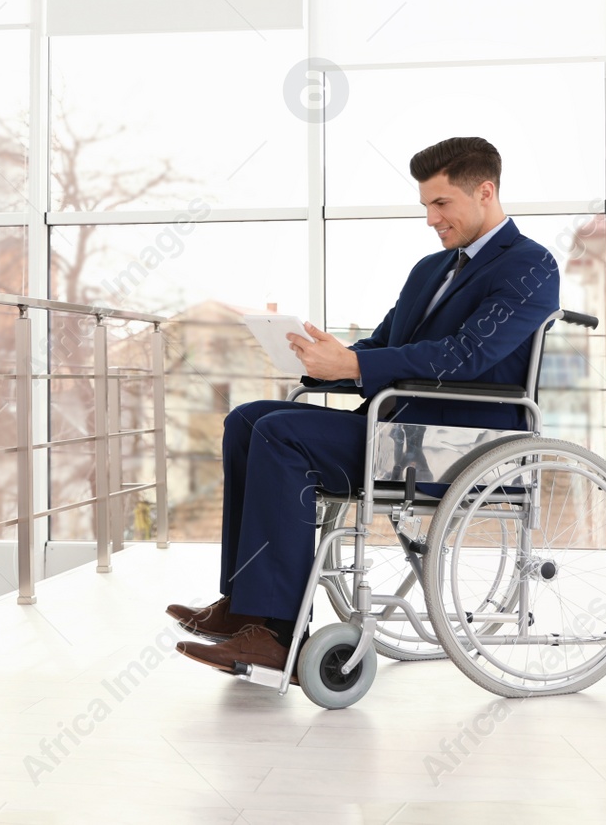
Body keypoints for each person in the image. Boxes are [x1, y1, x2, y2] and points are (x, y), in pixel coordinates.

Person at [169, 136, 561, 677]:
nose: (430, 218)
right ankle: (245, 609)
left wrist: (353, 368)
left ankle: (277, 634)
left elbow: (467, 356)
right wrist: (326, 357)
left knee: (281, 435)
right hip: (398, 427)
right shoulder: (431, 270)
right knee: (248, 419)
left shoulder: (531, 266)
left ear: (485, 192)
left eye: (441, 203)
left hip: (461, 440)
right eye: (425, 204)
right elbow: (385, 345)